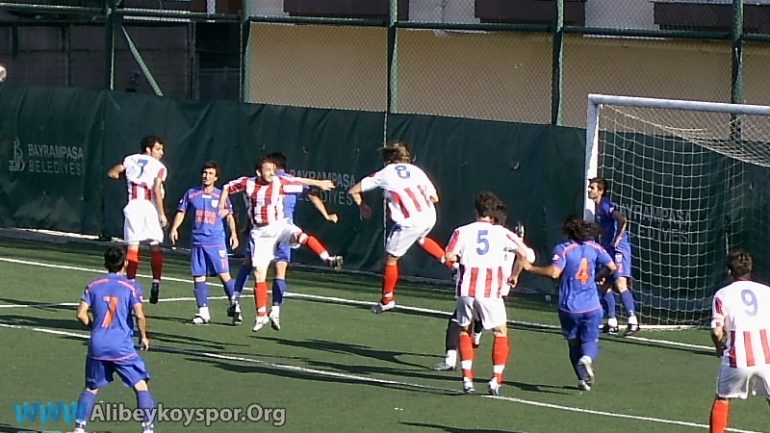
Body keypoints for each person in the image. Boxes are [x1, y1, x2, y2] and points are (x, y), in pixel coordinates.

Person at [219, 156, 342, 332]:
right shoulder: (248, 183)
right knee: (259, 273)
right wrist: (222, 206)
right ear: (258, 172)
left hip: (279, 225)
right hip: (260, 234)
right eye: (267, 170)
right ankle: (261, 314)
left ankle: (328, 258)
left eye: (273, 169)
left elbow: (300, 181)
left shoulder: (280, 181)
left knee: (301, 236)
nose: (271, 173)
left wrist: (320, 183)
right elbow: (226, 188)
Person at [348, 141, 449, 314]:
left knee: (390, 259)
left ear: (389, 159)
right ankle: (453, 266)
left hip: (409, 221)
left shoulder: (385, 173)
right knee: (421, 238)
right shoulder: (417, 171)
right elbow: (435, 198)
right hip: (429, 215)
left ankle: (387, 299)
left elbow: (353, 191)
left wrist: (363, 206)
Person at [445, 192, 529, 396]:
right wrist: (515, 275)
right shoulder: (501, 233)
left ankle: (467, 378)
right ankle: (495, 379)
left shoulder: (461, 231)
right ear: (493, 213)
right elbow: (524, 254)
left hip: (466, 289)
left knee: (464, 329)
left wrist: (456, 267)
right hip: (491, 291)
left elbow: (449, 256)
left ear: (476, 211)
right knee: (500, 332)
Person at [518, 216, 615, 391]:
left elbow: (554, 272)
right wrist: (598, 277)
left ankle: (581, 379)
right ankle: (587, 359)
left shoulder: (564, 249)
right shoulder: (595, 247)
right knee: (591, 339)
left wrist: (530, 268)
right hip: (592, 305)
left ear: (567, 231)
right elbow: (612, 267)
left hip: (569, 306)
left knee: (573, 342)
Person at [72, 246, 156, 433]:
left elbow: (80, 314)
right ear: (125, 263)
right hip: (122, 346)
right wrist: (144, 336)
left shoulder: (93, 285)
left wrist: (94, 326)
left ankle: (79, 428)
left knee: (91, 387)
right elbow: (140, 315)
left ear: (105, 263)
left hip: (97, 344)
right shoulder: (131, 287)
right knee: (141, 385)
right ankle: (148, 429)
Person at [168, 161, 239, 325]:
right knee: (198, 276)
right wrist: (174, 229)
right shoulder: (192, 194)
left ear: (216, 177)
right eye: (205, 173)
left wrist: (234, 234)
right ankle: (203, 312)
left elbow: (229, 216)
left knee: (224, 275)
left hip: (216, 242)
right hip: (198, 242)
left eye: (210, 174)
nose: (207, 176)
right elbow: (181, 212)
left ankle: (235, 306)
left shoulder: (221, 196)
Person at [708, 249, 770, 433]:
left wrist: (718, 346)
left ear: (729, 271)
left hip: (738, 358)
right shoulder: (766, 291)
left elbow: (716, 329)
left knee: (722, 398)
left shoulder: (722, 294)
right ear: (750, 269)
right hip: (767, 357)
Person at [107, 135, 169, 305]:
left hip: (133, 205)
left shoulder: (130, 159)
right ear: (148, 149)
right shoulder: (159, 167)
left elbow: (112, 173)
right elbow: (156, 189)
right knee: (155, 245)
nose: (161, 153)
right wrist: (162, 213)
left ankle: (131, 285)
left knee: (133, 246)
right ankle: (156, 281)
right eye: (158, 149)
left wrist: (128, 178)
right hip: (149, 206)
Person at [587, 176, 639, 336]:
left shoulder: (606, 205)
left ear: (601, 191)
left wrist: (617, 239)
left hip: (618, 250)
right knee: (604, 283)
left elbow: (623, 220)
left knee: (620, 282)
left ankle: (633, 321)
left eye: (592, 187)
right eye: (589, 187)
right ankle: (612, 322)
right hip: (608, 249)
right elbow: (605, 230)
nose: (589, 190)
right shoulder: (597, 209)